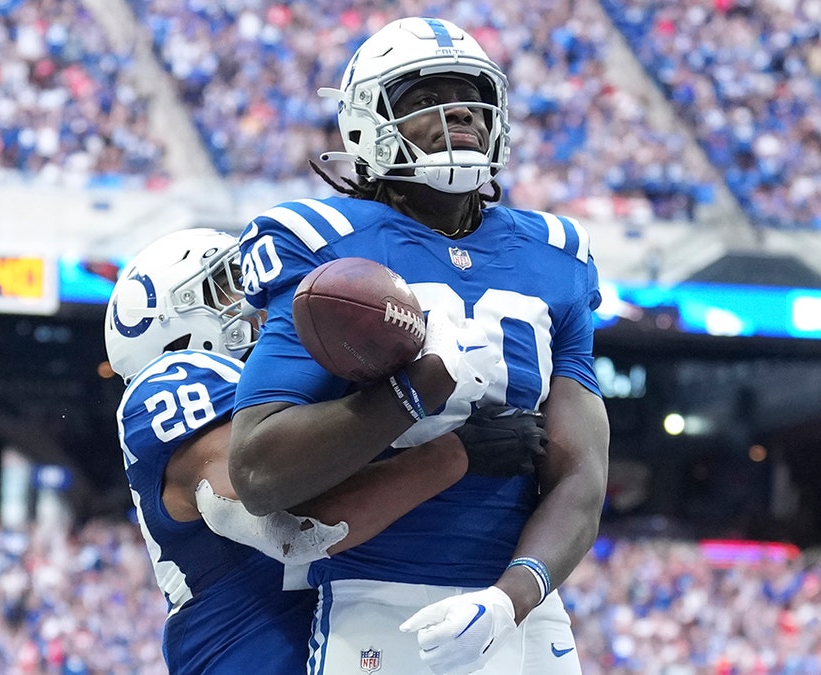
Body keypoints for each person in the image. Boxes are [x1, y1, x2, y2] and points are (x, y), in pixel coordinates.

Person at [227, 16, 610, 675]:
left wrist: (507, 599)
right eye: (424, 95)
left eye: (470, 94)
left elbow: (581, 473)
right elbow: (258, 470)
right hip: (377, 594)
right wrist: (413, 398)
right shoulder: (322, 244)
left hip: (518, 606)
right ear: (365, 122)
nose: (457, 109)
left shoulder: (556, 256)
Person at [105, 228, 546, 673]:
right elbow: (291, 530)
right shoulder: (171, 383)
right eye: (228, 284)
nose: (255, 300)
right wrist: (452, 452)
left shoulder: (284, 396)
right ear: (165, 324)